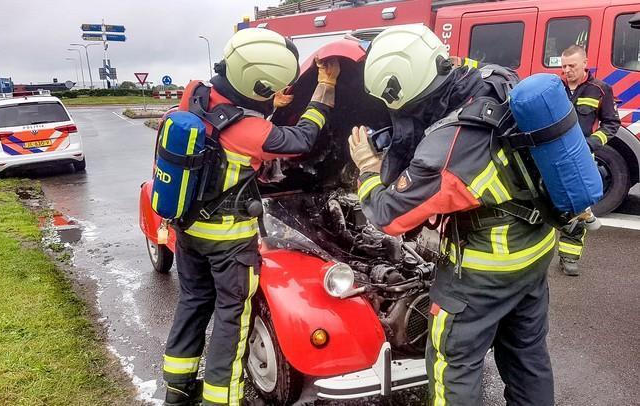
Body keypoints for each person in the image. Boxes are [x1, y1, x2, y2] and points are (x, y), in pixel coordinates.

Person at [349, 25, 555, 405]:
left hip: (484, 269)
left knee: (452, 364)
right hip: (535, 245)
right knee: (527, 356)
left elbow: (390, 216)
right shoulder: (496, 77)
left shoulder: (446, 148)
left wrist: (366, 167)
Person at [161, 27, 340, 406]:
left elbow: (231, 135)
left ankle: (177, 389)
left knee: (193, 303)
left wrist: (271, 105)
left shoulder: (197, 97)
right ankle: (219, 398)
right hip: (228, 242)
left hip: (188, 229)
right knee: (232, 318)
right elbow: (302, 139)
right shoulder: (247, 128)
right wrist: (325, 86)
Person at [559, 44, 621, 276]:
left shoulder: (600, 90)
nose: (567, 70)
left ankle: (569, 257)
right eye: (564, 66)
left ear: (585, 63)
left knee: (577, 209)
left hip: (582, 159)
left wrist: (592, 143)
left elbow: (612, 124)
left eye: (572, 66)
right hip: (553, 157)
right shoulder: (555, 87)